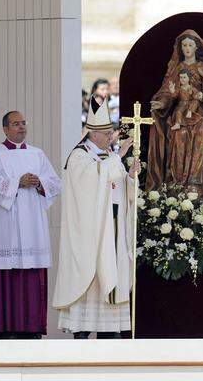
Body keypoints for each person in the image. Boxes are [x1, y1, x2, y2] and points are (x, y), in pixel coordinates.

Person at [53, 97, 139, 339]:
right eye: (107, 132)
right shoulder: (79, 156)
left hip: (112, 225)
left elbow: (119, 187)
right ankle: (83, 328)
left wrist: (130, 177)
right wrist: (119, 157)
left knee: (113, 268)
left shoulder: (108, 156)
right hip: (91, 231)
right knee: (91, 272)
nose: (111, 136)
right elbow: (90, 184)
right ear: (93, 134)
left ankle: (110, 329)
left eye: (110, 132)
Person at [0, 110, 62, 338]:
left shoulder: (37, 154)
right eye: (16, 124)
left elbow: (55, 183)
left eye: (23, 123)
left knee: (32, 275)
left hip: (33, 223)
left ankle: (32, 327)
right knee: (9, 273)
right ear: (5, 129)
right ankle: (5, 328)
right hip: (6, 225)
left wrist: (39, 183)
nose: (22, 127)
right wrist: (18, 182)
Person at [147, 30, 203, 195]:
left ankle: (199, 182)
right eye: (184, 45)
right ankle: (178, 183)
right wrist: (162, 103)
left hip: (200, 111)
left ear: (196, 48)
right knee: (179, 136)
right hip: (180, 111)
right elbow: (168, 92)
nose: (187, 48)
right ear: (180, 48)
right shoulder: (176, 69)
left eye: (190, 45)